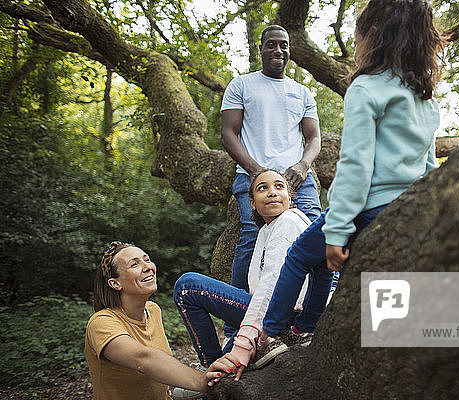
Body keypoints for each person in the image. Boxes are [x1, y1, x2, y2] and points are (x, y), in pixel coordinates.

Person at [260, 0, 444, 347]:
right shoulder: (425, 98)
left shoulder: (366, 88)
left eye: (356, 34)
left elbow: (356, 167)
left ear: (372, 36)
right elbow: (431, 167)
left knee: (299, 254)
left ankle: (269, 335)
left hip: (367, 209)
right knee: (316, 262)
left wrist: (339, 230)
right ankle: (306, 328)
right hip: (405, 208)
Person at [220, 25, 322, 342]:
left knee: (317, 233)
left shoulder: (302, 92)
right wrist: (254, 171)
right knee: (251, 236)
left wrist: (304, 165)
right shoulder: (241, 85)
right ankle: (234, 326)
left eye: (284, 45)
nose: (279, 50)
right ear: (261, 48)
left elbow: (314, 137)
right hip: (252, 176)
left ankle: (308, 319)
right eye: (272, 45)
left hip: (296, 178)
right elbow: (228, 133)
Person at [173, 169, 315, 383]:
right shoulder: (266, 230)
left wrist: (245, 339)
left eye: (279, 186)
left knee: (187, 287)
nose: (272, 192)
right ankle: (213, 374)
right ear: (252, 203)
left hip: (288, 316)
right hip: (271, 313)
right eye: (263, 188)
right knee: (226, 365)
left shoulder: (289, 221)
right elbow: (258, 290)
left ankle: (210, 367)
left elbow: (272, 285)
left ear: (289, 197)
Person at [85, 241, 240, 400]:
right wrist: (200, 380)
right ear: (115, 283)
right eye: (134, 264)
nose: (147, 267)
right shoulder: (101, 323)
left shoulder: (152, 310)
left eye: (147, 259)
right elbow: (143, 359)